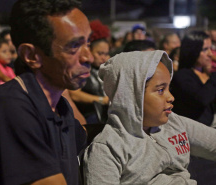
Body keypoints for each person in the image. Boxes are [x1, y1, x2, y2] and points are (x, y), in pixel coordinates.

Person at [0, 0, 93, 184]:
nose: (88, 57)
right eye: (74, 46)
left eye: (88, 43)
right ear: (32, 56)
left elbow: (85, 134)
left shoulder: (59, 106)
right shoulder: (12, 105)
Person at [83, 50, 216, 184]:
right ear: (132, 95)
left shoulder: (174, 123)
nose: (171, 97)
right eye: (160, 90)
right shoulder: (108, 149)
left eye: (169, 88)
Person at [170, 31, 216, 185]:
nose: (211, 54)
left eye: (211, 48)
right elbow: (202, 98)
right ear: (192, 50)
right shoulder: (183, 76)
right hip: (195, 144)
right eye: (205, 49)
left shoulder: (207, 75)